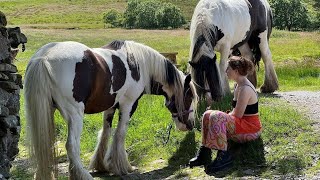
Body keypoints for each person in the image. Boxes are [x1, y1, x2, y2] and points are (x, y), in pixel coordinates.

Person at [189, 56, 262, 174]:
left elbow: (237, 114)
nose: (226, 71)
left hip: (250, 129)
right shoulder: (238, 85)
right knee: (207, 114)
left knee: (216, 116)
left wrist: (220, 116)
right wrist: (218, 114)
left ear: (236, 71)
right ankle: (204, 154)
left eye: (228, 68)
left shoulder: (245, 88)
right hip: (240, 124)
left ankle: (224, 156)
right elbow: (234, 113)